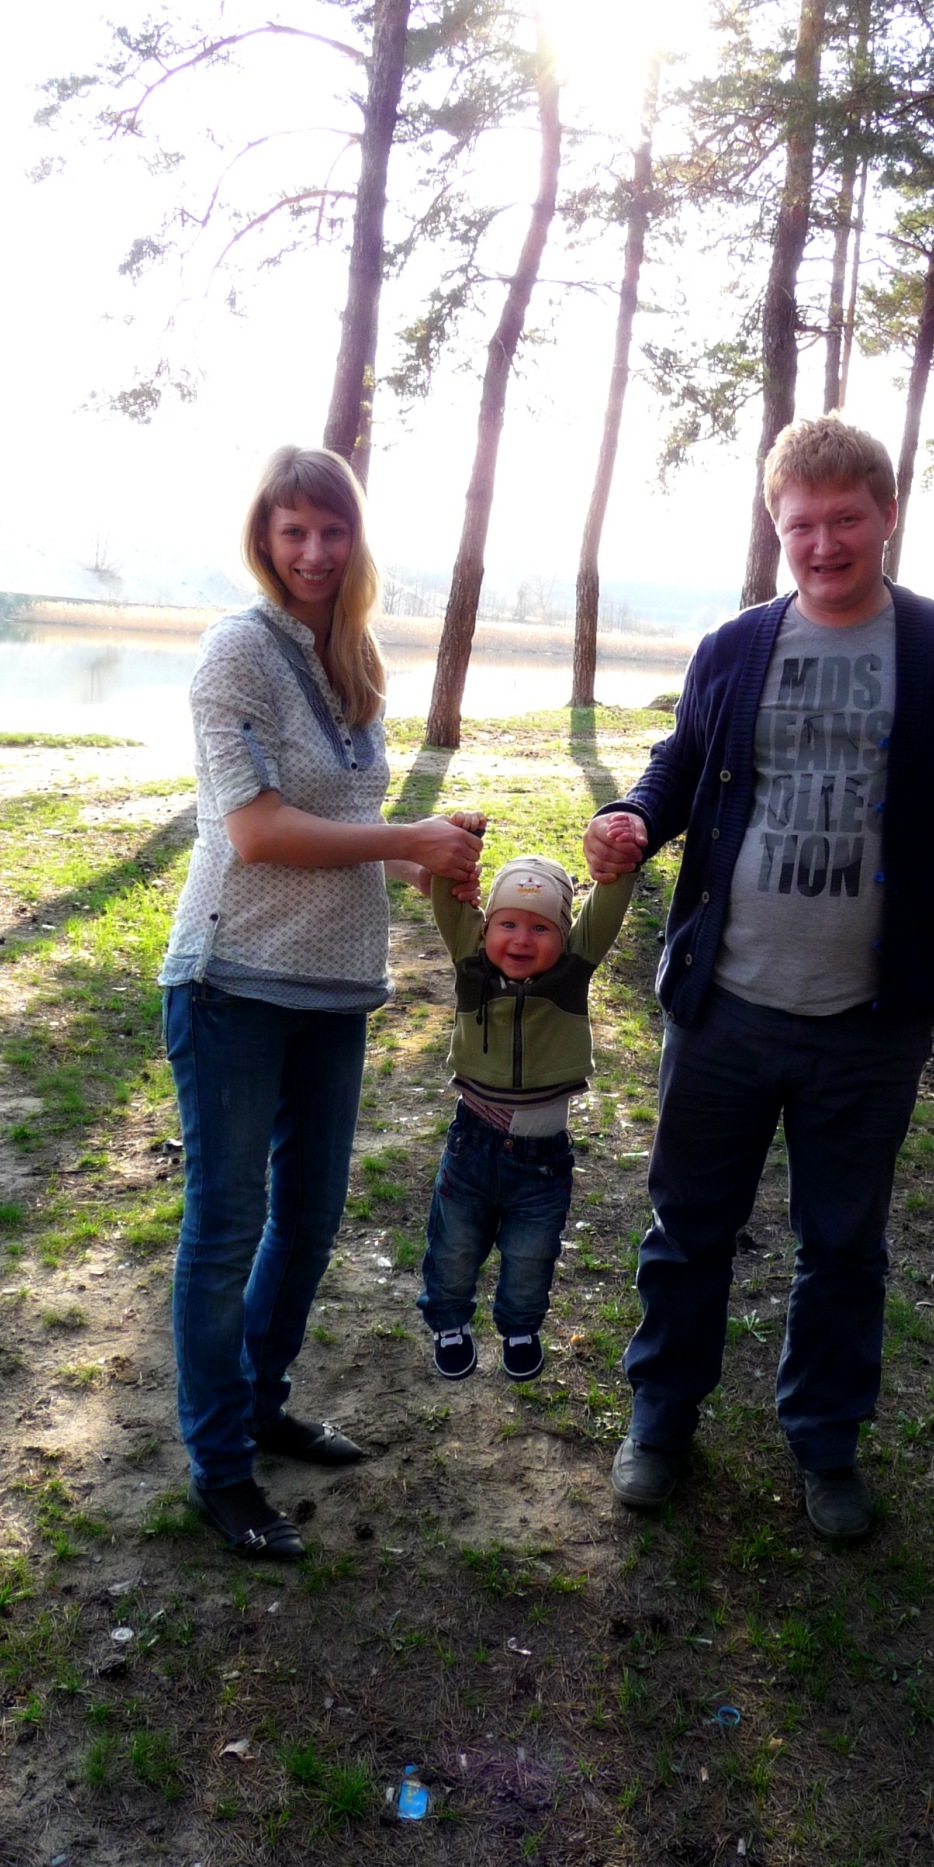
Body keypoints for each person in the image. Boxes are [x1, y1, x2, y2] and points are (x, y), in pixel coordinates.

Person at [583, 415, 934, 1539]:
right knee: (686, 1228)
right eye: (800, 524)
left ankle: (825, 1439)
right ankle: (661, 1416)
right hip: (722, 1003)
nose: (824, 543)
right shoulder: (735, 647)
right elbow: (682, 762)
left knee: (844, 1245)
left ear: (888, 515)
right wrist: (636, 816)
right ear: (778, 528)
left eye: (845, 519)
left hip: (871, 1020)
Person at [160, 446, 482, 1560]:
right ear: (264, 536)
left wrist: (427, 858)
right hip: (232, 981)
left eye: (331, 529)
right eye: (292, 530)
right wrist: (403, 839)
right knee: (225, 1229)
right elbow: (256, 831)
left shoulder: (355, 657)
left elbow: (343, 821)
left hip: (334, 987)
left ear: (355, 539)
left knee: (309, 1219)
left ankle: (262, 1405)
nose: (313, 550)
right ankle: (219, 1468)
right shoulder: (235, 652)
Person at [418, 826, 635, 1382]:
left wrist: (619, 860)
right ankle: (448, 1321)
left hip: (542, 1161)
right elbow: (447, 899)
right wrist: (458, 846)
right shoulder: (470, 962)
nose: (521, 939)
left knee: (532, 1256)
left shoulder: (571, 971)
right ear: (485, 927)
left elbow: (607, 908)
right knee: (453, 1248)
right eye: (507, 924)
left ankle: (520, 1326)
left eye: (541, 928)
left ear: (564, 936)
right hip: (472, 1147)